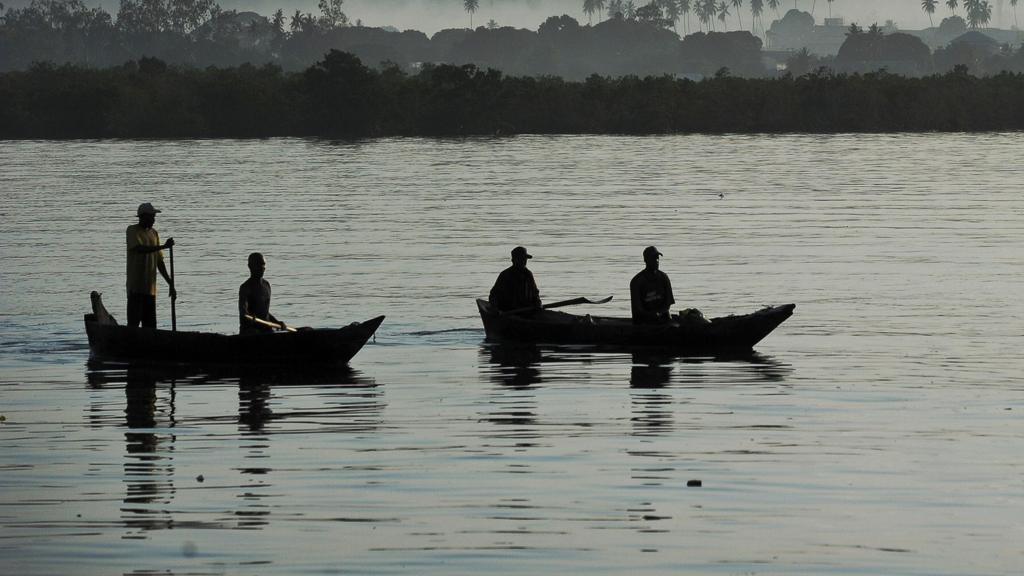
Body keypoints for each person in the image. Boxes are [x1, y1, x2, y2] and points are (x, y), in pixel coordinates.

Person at [126, 202, 175, 328]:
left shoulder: (154, 233)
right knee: (133, 325)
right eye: (152, 217)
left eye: (154, 217)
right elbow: (139, 249)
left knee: (150, 326)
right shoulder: (132, 230)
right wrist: (163, 246)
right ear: (143, 217)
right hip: (136, 288)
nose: (154, 220)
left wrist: (170, 283)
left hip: (150, 289)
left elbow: (159, 262)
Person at [239, 252, 287, 334]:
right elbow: (243, 313)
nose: (262, 267)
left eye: (263, 264)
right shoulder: (245, 287)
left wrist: (277, 322)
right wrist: (250, 317)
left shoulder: (266, 285)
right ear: (250, 266)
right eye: (258, 264)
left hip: (266, 330)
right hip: (250, 331)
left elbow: (264, 312)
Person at [489, 246, 542, 313]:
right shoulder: (505, 275)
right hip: (508, 311)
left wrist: (538, 303)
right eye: (521, 259)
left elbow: (535, 293)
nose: (524, 261)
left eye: (525, 259)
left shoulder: (528, 274)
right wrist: (494, 308)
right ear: (514, 260)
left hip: (526, 311)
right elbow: (494, 295)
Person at [630, 246, 674, 324]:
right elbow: (638, 309)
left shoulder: (664, 277)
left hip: (661, 318)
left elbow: (667, 304)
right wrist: (651, 315)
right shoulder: (637, 281)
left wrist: (659, 313)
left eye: (657, 258)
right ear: (646, 260)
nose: (656, 261)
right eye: (653, 258)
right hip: (642, 322)